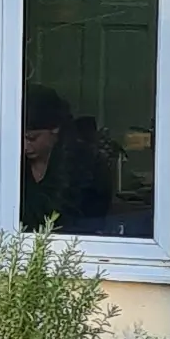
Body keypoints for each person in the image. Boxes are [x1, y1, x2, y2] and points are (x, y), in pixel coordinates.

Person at [18, 84, 114, 231]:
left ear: (54, 129)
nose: (24, 147)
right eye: (19, 138)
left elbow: (90, 224)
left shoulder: (87, 166)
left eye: (32, 138)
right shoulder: (13, 161)